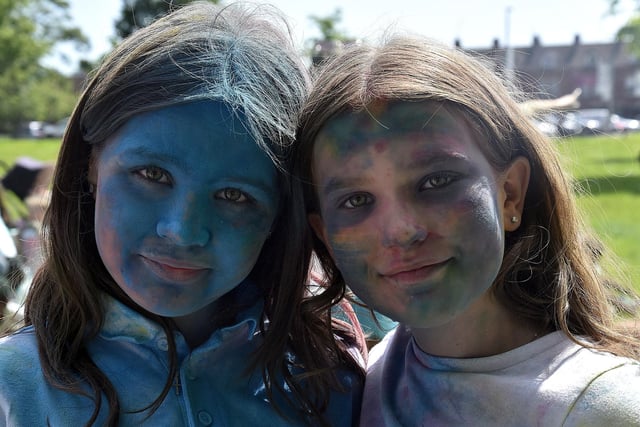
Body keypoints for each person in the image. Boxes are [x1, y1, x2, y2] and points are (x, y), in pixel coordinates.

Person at [0, 2, 364, 426]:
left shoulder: (329, 381)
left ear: (280, 216)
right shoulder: (13, 387)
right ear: (91, 165)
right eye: (151, 174)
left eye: (234, 195)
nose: (182, 230)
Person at [293, 34, 640, 426]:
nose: (402, 231)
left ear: (510, 194)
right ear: (325, 235)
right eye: (356, 201)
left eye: (436, 181)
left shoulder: (602, 408)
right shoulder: (357, 382)